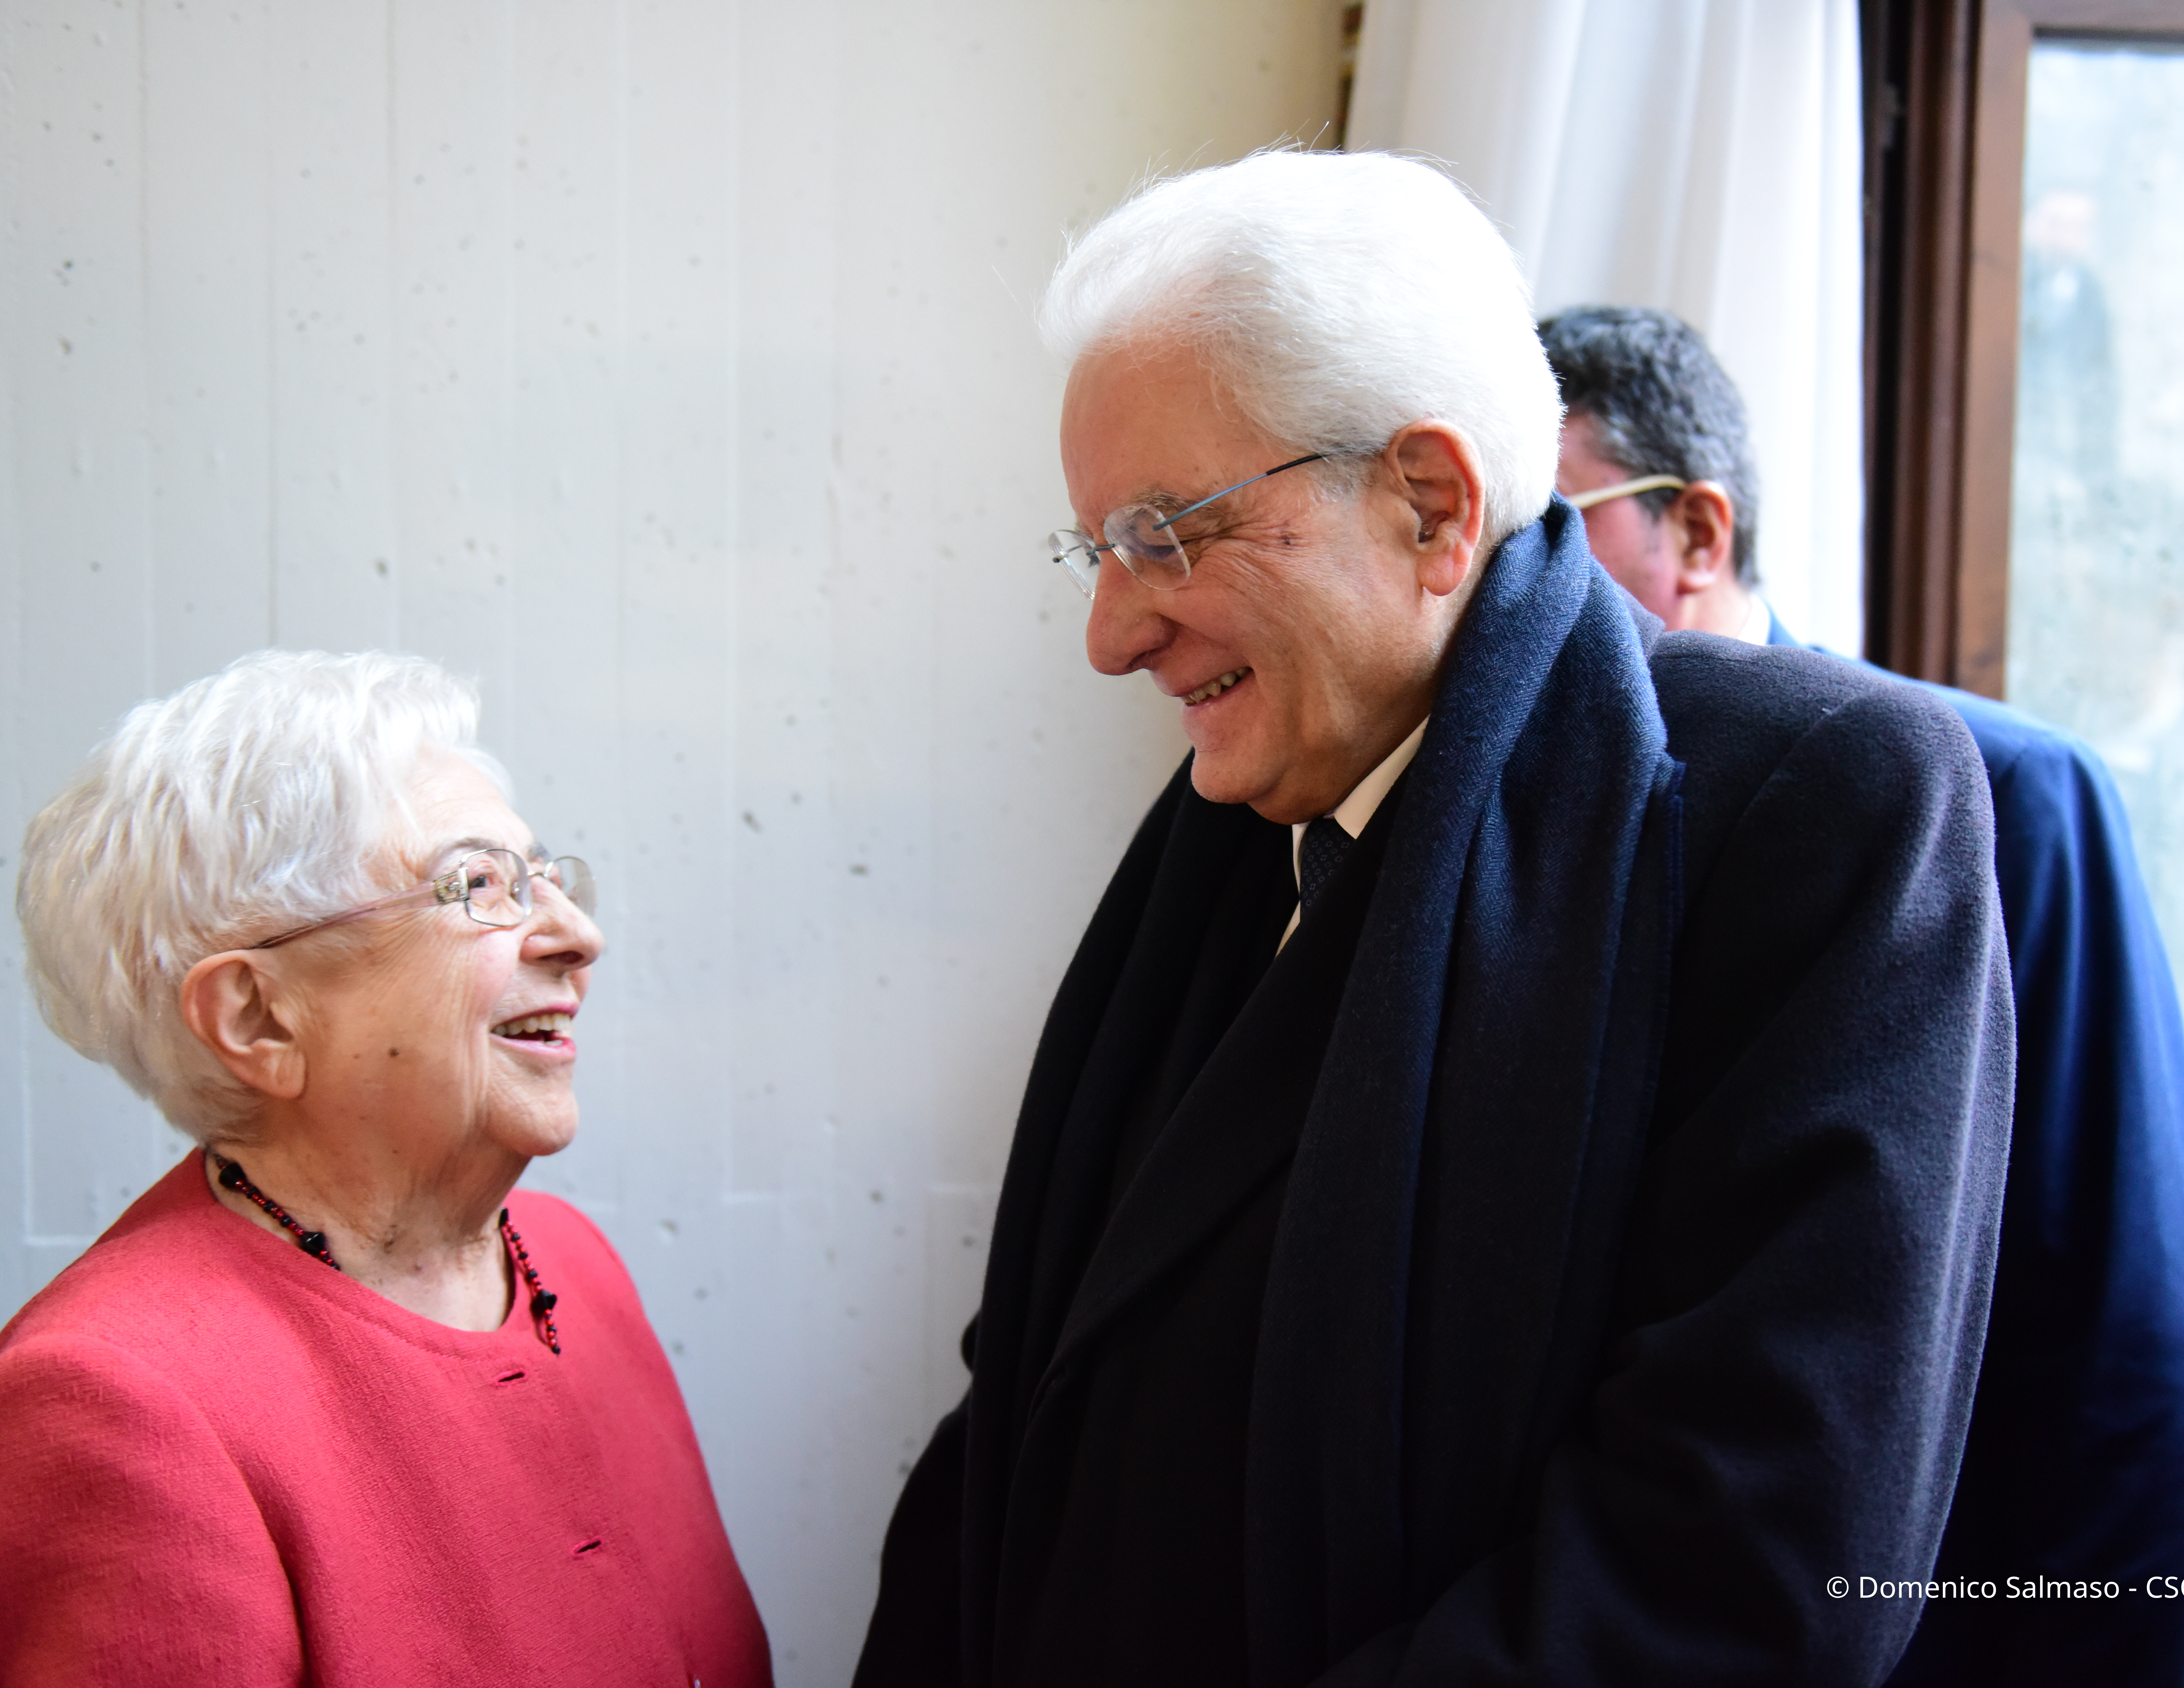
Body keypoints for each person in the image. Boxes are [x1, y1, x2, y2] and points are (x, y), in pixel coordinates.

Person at [855, 149, 2015, 1687]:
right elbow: (1023, 1408)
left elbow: (1745, 1557)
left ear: (1431, 504)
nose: (1110, 631)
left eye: (1165, 533)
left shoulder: (1811, 806)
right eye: (1096, 550)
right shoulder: (1223, 835)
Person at [1542, 303, 2184, 1686]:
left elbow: (2124, 1333)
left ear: (1695, 531)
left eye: (1555, 533)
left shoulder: (2002, 794)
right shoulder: (1521, 840)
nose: (1516, 590)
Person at [0, 651, 770, 1686]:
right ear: (258, 1016)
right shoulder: (108, 1413)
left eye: (545, 877)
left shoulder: (571, 1266)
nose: (578, 936)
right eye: (479, 887)